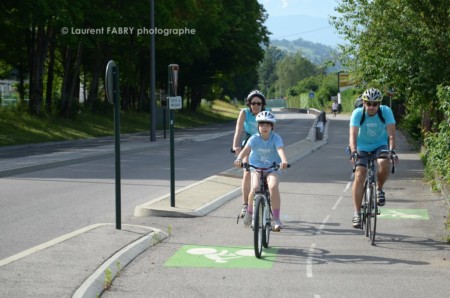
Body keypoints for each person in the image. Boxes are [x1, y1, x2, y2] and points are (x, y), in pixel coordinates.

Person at [348, 88, 398, 228]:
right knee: (360, 173)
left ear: (379, 104)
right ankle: (357, 213)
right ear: (363, 103)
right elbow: (352, 135)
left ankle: (379, 189)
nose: (371, 107)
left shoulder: (386, 111)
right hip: (361, 147)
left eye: (375, 104)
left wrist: (392, 151)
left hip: (380, 145)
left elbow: (392, 134)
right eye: (368, 103)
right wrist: (353, 152)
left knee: (384, 162)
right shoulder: (358, 113)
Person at [233, 111, 289, 231]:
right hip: (256, 168)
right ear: (258, 126)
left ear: (272, 127)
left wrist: (284, 161)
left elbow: (280, 150)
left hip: (271, 168)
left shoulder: (276, 138)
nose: (264, 127)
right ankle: (249, 211)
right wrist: (239, 159)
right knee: (254, 188)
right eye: (262, 124)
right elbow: (246, 150)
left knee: (273, 186)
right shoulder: (254, 138)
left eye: (268, 125)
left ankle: (277, 219)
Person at [232, 90, 267, 221]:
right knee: (247, 171)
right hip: (248, 144)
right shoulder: (244, 113)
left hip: (263, 144)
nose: (256, 106)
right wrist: (236, 146)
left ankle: (265, 193)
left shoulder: (266, 114)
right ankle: (245, 206)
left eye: (259, 103)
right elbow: (238, 129)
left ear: (263, 104)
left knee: (267, 171)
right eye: (253, 103)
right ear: (249, 104)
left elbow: (272, 131)